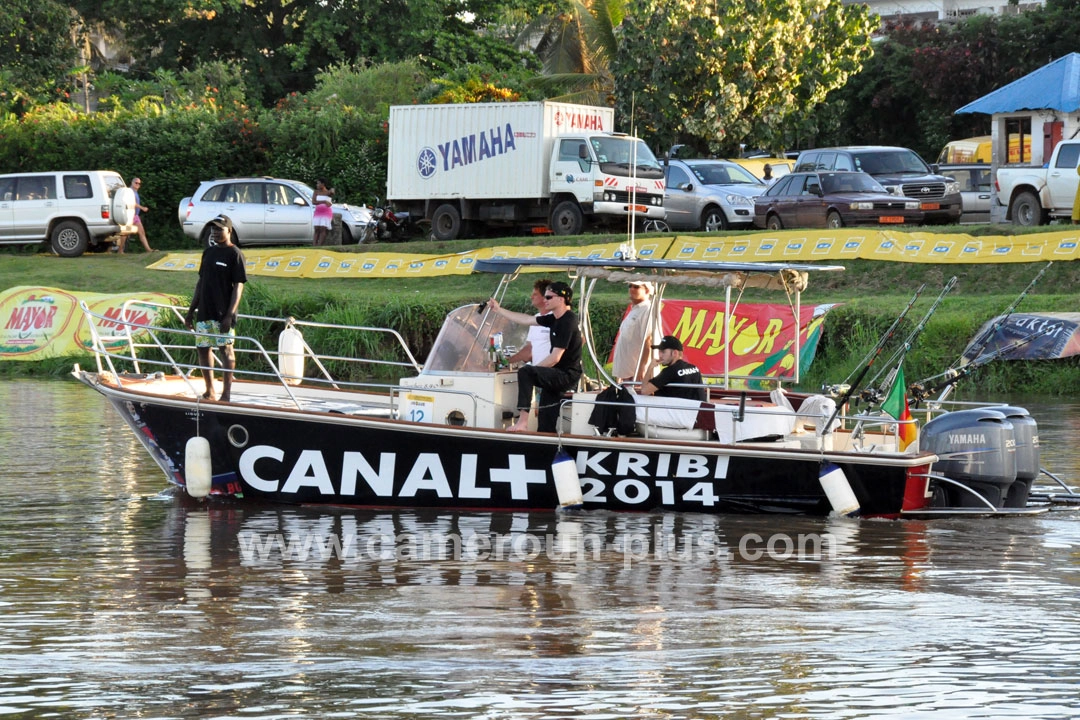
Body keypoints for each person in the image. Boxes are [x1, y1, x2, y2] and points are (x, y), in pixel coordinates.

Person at [487, 281, 582, 433]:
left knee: (526, 372)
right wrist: (498, 309)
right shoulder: (554, 319)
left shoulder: (568, 321)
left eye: (549, 297)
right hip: (556, 373)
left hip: (567, 375)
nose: (545, 300)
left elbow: (555, 357)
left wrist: (533, 371)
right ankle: (546, 447)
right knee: (545, 422)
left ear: (561, 299)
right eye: (544, 296)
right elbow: (525, 319)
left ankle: (522, 422)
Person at [184, 215, 247, 402]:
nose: (215, 232)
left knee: (225, 350)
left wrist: (230, 314)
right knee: (203, 348)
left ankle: (226, 393)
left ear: (229, 231)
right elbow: (200, 282)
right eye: (213, 229)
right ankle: (209, 390)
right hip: (205, 310)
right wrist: (190, 311)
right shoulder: (208, 253)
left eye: (219, 229)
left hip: (223, 313)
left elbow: (238, 287)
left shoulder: (235, 254)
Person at [611, 280, 661, 384]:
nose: (631, 289)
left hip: (637, 373)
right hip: (627, 372)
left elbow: (649, 340)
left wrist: (642, 367)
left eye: (636, 287)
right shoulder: (635, 309)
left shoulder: (647, 309)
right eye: (630, 286)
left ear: (647, 290)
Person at [639, 335, 706, 402]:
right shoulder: (694, 368)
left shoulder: (670, 371)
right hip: (698, 410)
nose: (660, 355)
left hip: (675, 411)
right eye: (659, 351)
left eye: (663, 352)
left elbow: (644, 391)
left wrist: (650, 368)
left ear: (675, 353)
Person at [506, 278, 553, 366]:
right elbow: (529, 350)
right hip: (538, 371)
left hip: (554, 373)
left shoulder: (558, 318)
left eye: (535, 294)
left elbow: (579, 340)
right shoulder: (535, 318)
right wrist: (507, 361)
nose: (531, 297)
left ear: (545, 297)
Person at [115, 177, 154, 253]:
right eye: (136, 183)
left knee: (141, 232)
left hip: (135, 216)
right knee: (125, 233)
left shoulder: (135, 192)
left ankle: (148, 249)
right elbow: (132, 203)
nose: (137, 184)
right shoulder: (130, 191)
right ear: (132, 183)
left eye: (139, 183)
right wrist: (142, 208)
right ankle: (120, 250)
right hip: (130, 215)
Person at [312, 179, 334, 246]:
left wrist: (332, 190)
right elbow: (313, 202)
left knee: (322, 228)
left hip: (326, 213)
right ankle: (314, 245)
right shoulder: (316, 192)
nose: (317, 185)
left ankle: (319, 245)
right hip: (318, 212)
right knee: (316, 228)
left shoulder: (328, 192)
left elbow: (332, 192)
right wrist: (324, 201)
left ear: (323, 184)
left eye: (318, 183)